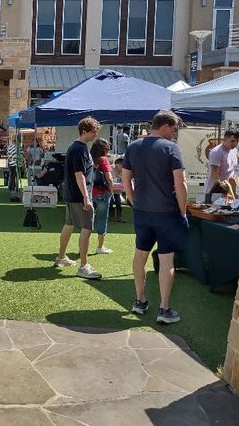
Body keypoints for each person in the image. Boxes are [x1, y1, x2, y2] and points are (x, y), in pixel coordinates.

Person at [122, 110, 188, 325]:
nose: (174, 133)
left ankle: (139, 301)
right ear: (166, 126)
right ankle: (164, 308)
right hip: (167, 212)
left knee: (140, 254)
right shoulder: (171, 148)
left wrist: (132, 200)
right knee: (166, 258)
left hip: (142, 211)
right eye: (174, 129)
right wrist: (183, 210)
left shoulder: (133, 147)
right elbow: (181, 183)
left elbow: (125, 178)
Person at [53, 116, 102, 280]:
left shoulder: (78, 147)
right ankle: (83, 266)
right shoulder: (79, 149)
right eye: (94, 132)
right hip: (78, 196)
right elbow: (79, 175)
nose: (96, 135)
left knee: (69, 224)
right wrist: (86, 198)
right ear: (84, 131)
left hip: (72, 194)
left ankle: (61, 257)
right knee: (86, 228)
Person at [90, 138, 114, 255]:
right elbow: (109, 177)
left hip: (90, 192)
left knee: (88, 221)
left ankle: (83, 246)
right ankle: (100, 246)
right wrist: (111, 188)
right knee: (101, 219)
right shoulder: (103, 160)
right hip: (102, 193)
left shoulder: (89, 159)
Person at [203, 129, 239, 204]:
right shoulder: (216, 152)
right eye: (232, 141)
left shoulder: (235, 151)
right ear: (225, 140)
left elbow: (234, 171)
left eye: (237, 141)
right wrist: (222, 192)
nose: (235, 143)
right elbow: (214, 175)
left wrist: (235, 188)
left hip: (228, 189)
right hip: (215, 191)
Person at [110, 158, 126, 223]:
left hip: (118, 191)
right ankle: (111, 217)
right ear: (117, 164)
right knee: (110, 202)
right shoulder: (111, 171)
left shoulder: (123, 173)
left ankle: (120, 217)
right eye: (121, 165)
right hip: (110, 190)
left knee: (118, 202)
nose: (122, 167)